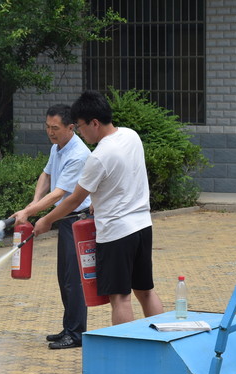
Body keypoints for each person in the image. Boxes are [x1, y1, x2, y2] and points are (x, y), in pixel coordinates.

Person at [34, 91, 164, 325]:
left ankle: (125, 353)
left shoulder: (100, 156)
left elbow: (73, 200)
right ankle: (166, 341)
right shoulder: (130, 135)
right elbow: (122, 177)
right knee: (145, 291)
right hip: (143, 225)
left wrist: (46, 221)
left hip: (116, 232)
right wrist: (98, 201)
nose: (80, 133)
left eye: (81, 126)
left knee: (120, 298)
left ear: (94, 123)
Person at [11, 104, 91, 349]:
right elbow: (46, 176)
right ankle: (68, 328)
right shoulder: (57, 148)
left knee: (74, 280)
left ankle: (76, 334)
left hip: (77, 220)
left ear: (70, 127)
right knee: (63, 277)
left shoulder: (78, 154)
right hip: (65, 221)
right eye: (47, 127)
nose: (50, 132)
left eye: (55, 128)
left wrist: (30, 212)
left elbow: (58, 194)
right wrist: (34, 203)